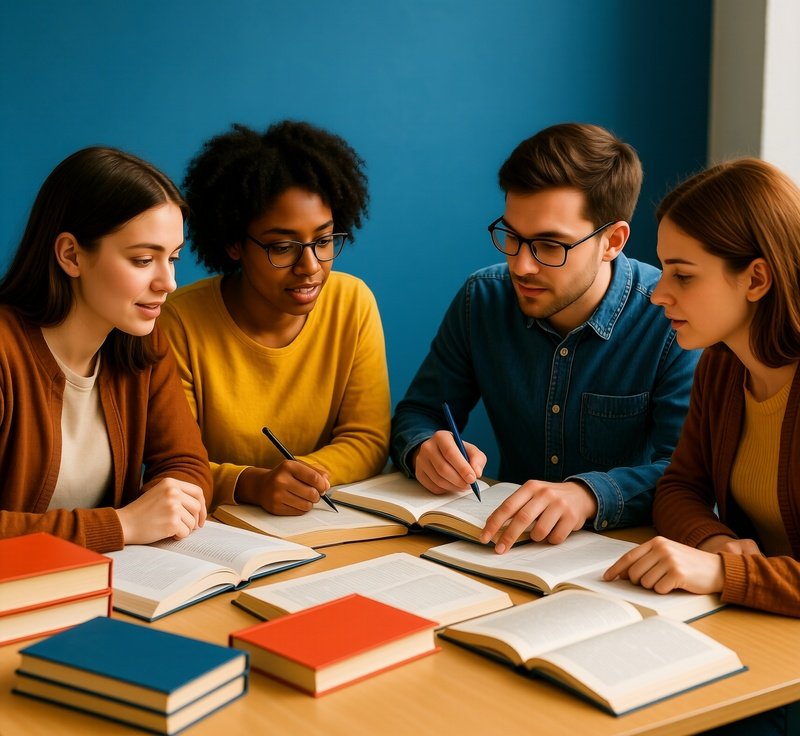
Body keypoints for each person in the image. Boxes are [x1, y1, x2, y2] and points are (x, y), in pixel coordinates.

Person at [390, 123, 700, 553]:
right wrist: (424, 448)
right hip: (499, 550)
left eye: (550, 246)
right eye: (512, 237)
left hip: (624, 557)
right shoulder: (481, 299)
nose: (521, 266)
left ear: (612, 241)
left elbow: (687, 474)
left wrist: (588, 496)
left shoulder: (671, 318)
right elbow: (418, 412)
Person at [160, 121, 391, 516]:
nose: (310, 266)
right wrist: (253, 484)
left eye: (323, 241)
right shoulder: (178, 322)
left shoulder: (353, 303)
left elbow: (367, 439)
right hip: (215, 536)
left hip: (320, 523)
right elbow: (174, 465)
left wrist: (304, 480)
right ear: (233, 243)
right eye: (283, 247)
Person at [604, 158, 800, 616]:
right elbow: (679, 487)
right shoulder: (722, 366)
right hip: (759, 623)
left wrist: (721, 573)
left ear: (756, 278)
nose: (658, 294)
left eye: (683, 275)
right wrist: (716, 543)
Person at [0, 147, 212, 553]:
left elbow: (186, 467)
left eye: (173, 258)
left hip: (113, 584)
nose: (168, 282)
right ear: (71, 255)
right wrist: (121, 524)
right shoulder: (5, 351)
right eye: (143, 259)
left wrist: (166, 507)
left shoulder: (143, 342)